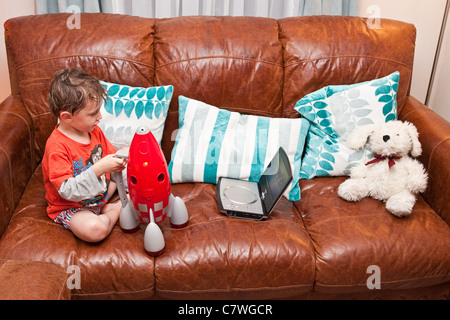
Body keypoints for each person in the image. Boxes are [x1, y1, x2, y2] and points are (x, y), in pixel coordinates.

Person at [42, 68, 127, 243]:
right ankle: (117, 208)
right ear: (67, 117)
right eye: (93, 114)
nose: (100, 117)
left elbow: (112, 156)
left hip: (100, 194)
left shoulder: (92, 130)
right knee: (96, 230)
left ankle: (117, 199)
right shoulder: (57, 146)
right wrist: (99, 168)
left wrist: (126, 157)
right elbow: (67, 191)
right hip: (72, 206)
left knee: (130, 154)